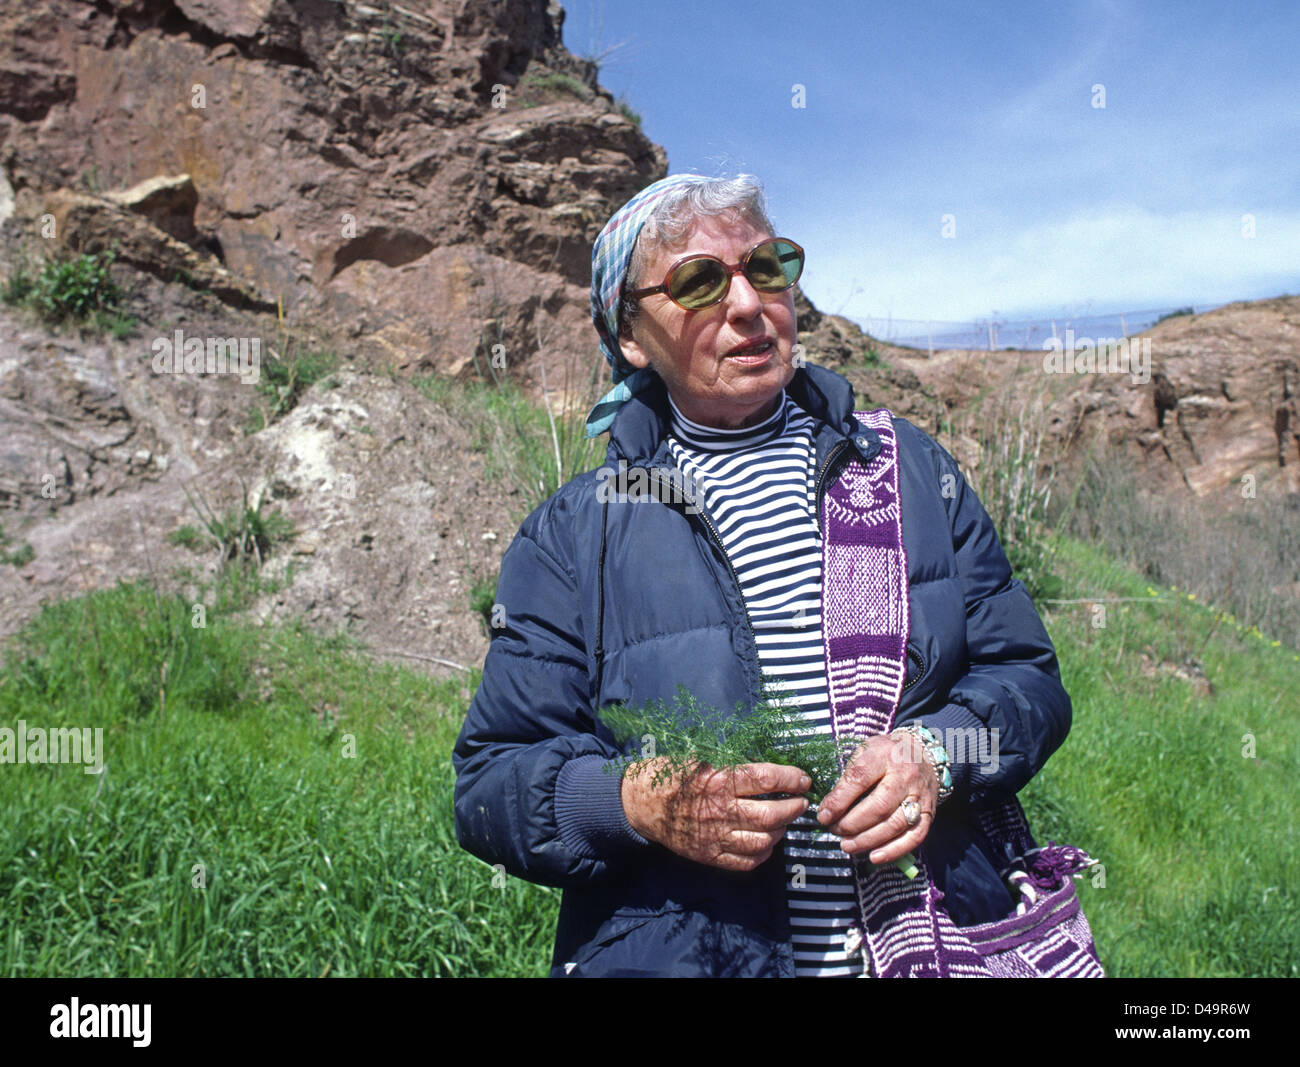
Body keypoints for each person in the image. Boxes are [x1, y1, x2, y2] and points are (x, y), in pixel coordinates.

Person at [453, 173, 1083, 977]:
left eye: (766, 267)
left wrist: (937, 751)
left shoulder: (909, 471)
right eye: (700, 282)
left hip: (938, 945)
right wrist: (640, 800)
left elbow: (1025, 679)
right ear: (633, 336)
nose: (748, 303)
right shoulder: (574, 534)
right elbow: (489, 782)